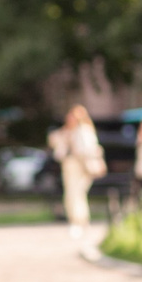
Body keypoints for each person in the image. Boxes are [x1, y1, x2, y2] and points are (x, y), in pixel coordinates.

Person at [49, 104, 106, 243]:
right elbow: (54, 144)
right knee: (72, 194)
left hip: (82, 166)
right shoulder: (65, 131)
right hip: (69, 166)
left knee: (77, 193)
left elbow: (89, 149)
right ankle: (78, 221)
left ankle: (79, 221)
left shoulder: (84, 131)